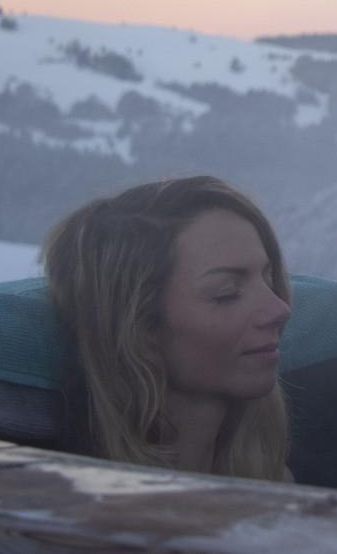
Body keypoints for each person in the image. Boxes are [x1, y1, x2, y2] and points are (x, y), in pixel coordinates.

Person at [42, 175, 293, 481]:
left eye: (269, 280)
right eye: (226, 293)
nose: (279, 310)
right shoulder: (82, 508)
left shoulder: (268, 474)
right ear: (139, 326)